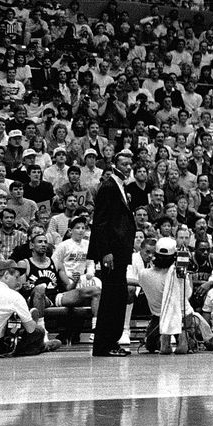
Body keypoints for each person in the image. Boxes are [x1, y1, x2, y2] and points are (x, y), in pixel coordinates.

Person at [88, 150, 136, 357]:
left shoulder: (121, 187)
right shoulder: (108, 186)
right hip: (112, 254)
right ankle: (105, 343)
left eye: (129, 164)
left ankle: (110, 342)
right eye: (123, 164)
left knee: (117, 296)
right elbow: (100, 222)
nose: (127, 167)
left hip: (120, 252)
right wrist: (105, 252)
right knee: (112, 298)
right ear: (114, 165)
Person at [0, 259, 60, 356]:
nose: (18, 282)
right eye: (16, 277)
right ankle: (42, 347)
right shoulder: (14, 296)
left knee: (14, 326)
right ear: (6, 275)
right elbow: (31, 330)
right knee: (38, 331)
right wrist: (33, 320)